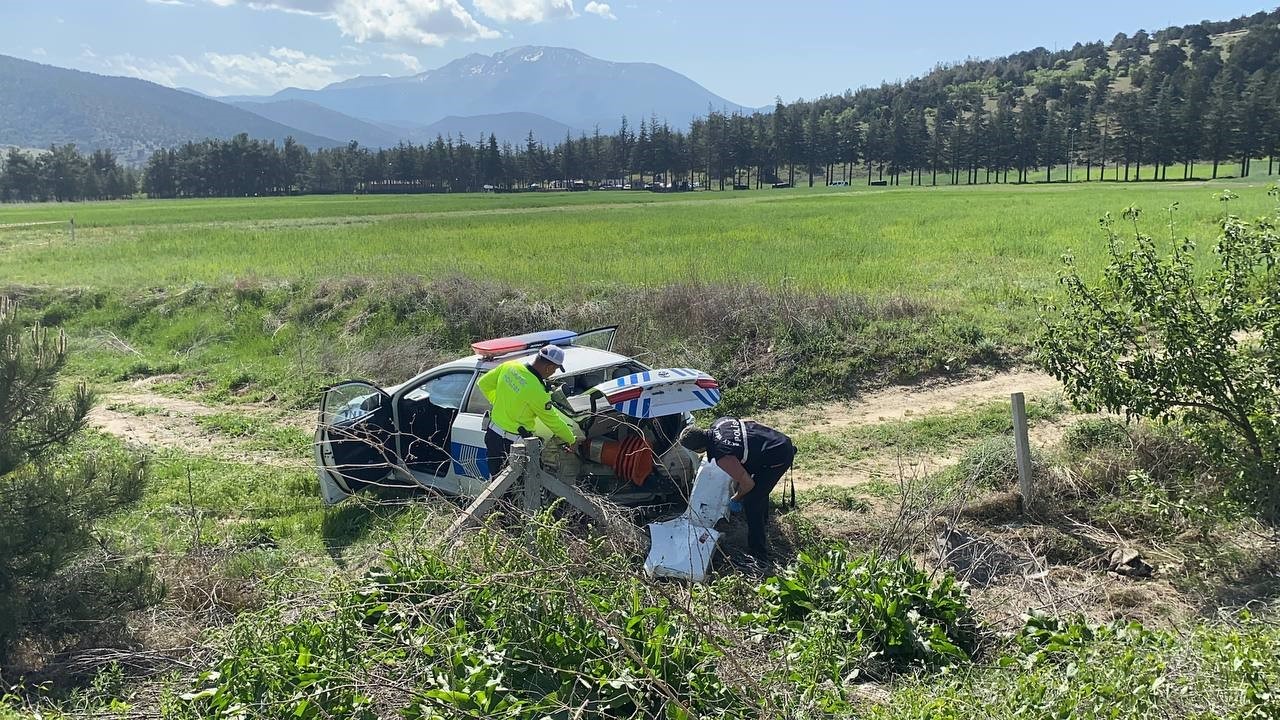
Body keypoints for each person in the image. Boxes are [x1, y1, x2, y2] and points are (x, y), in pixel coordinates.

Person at [680, 417, 795, 562]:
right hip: (776, 439)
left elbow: (748, 484)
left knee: (752, 501)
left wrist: (736, 498)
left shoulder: (723, 456)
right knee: (759, 490)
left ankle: (759, 554)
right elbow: (750, 422)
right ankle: (764, 521)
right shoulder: (720, 423)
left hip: (778, 456)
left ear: (698, 449)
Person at [476, 344, 582, 478]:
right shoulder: (537, 391)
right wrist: (571, 440)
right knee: (519, 488)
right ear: (548, 367)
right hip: (513, 445)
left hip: (492, 436)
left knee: (498, 482)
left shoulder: (510, 366)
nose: (553, 373)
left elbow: (483, 383)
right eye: (554, 369)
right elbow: (553, 421)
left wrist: (499, 402)